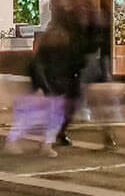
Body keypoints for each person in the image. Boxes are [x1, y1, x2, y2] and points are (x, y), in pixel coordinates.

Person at [8, 22, 80, 156]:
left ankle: (46, 144)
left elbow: (68, 71)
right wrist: (42, 88)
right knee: (33, 118)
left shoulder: (63, 52)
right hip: (48, 89)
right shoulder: (47, 53)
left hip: (56, 90)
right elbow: (37, 69)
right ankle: (14, 141)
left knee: (55, 119)